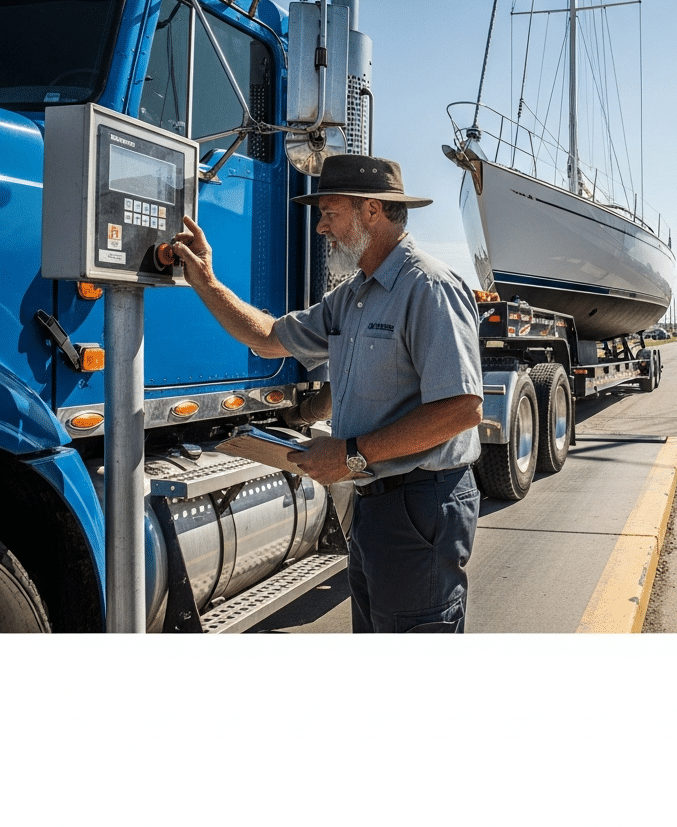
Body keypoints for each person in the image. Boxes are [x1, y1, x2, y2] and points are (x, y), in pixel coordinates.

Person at [171, 154, 484, 633]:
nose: (320, 228)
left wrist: (352, 455)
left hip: (421, 503)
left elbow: (462, 409)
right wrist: (205, 281)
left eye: (329, 213)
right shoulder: (353, 296)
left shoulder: (429, 286)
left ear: (371, 212)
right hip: (375, 501)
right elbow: (269, 336)